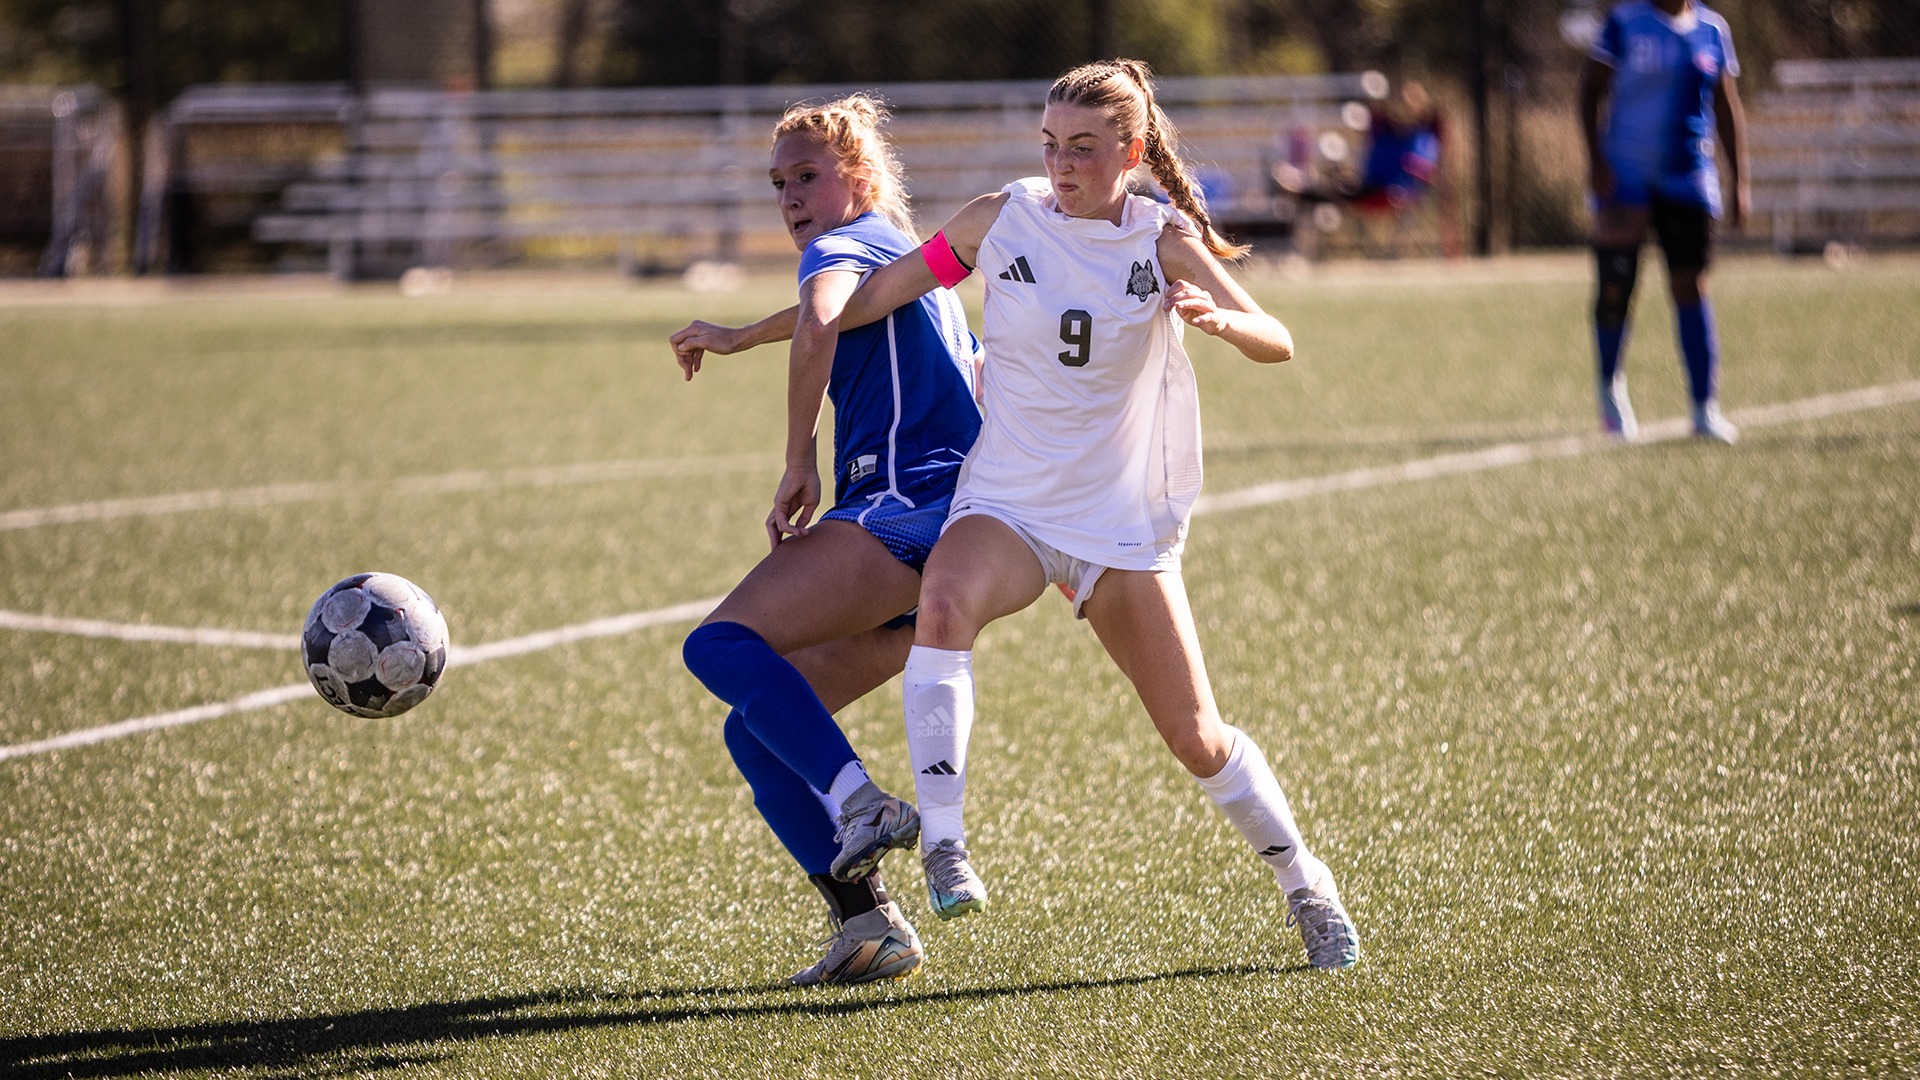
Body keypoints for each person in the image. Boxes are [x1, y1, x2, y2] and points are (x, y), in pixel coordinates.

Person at [828, 59, 1360, 970]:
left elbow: (1278, 338)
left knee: (1197, 739)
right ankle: (948, 843)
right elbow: (877, 296)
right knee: (946, 607)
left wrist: (1225, 324)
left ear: (1131, 151)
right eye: (1050, 145)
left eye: (1082, 148)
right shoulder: (1003, 219)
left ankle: (1306, 883)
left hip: (1116, 525)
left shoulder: (1161, 241)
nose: (1061, 164)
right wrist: (768, 328)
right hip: (1009, 499)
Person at [667, 94, 983, 986]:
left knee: (719, 643)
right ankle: (867, 929)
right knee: (756, 732)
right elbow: (834, 312)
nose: (789, 196)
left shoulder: (836, 247)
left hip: (898, 508)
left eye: (806, 175)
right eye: (777, 182)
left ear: (859, 175)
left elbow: (820, 316)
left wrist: (798, 457)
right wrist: (738, 336)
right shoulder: (903, 254)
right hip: (957, 537)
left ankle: (861, 805)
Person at [1578, 0, 1748, 443]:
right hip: (1625, 177)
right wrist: (1595, 160)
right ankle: (1610, 389)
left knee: (1690, 285)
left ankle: (1703, 407)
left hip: (1687, 178)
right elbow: (1589, 89)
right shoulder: (1625, 22)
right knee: (1616, 283)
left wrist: (1739, 181)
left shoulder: (1712, 29)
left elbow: (1726, 107)